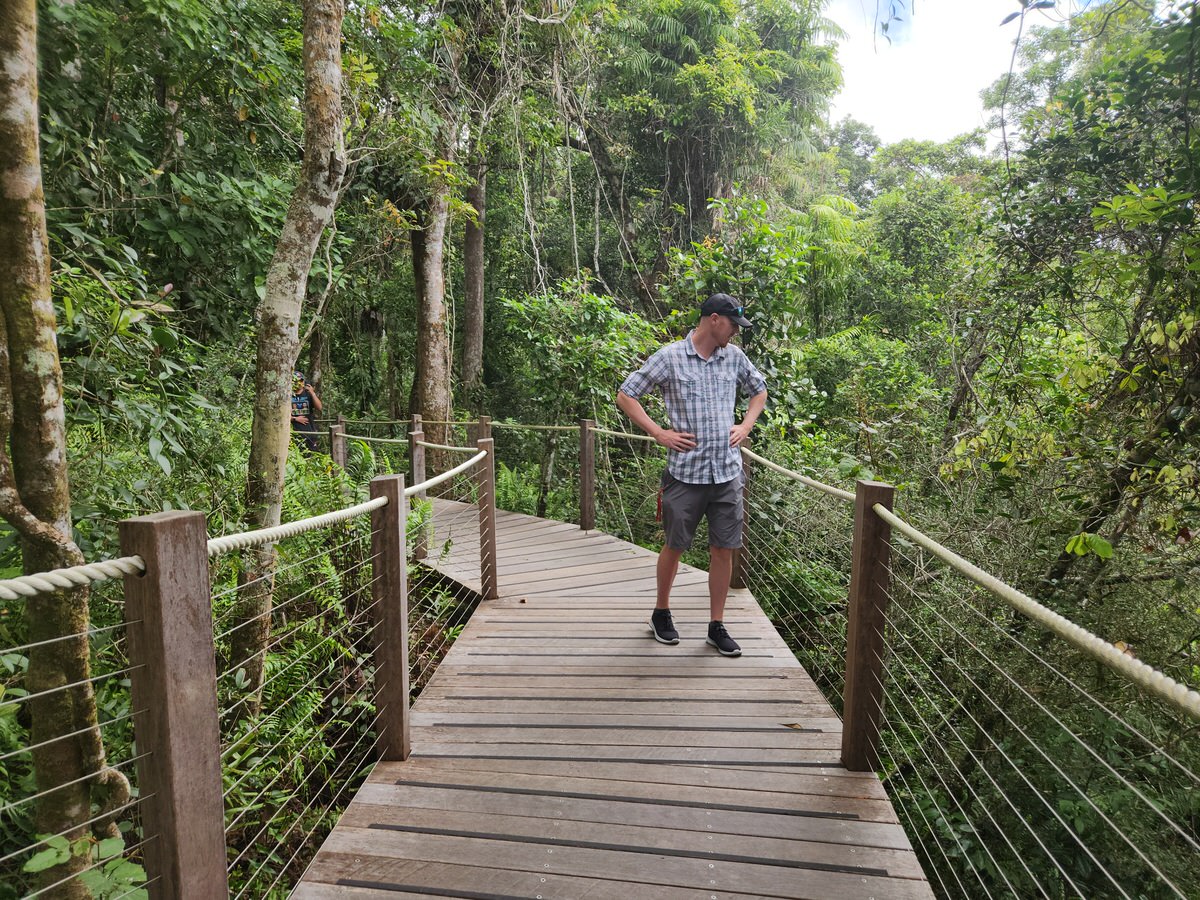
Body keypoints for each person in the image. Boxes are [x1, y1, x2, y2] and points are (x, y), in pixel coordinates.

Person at [616, 293, 768, 657]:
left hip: (727, 474)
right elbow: (626, 394)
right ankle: (661, 613)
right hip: (685, 474)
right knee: (675, 544)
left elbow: (759, 390)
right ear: (714, 319)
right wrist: (658, 432)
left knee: (723, 548)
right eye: (733, 325)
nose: (734, 332)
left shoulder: (733, 357)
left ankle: (717, 625)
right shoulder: (670, 357)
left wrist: (746, 424)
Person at [290, 371, 323, 452]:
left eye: (301, 381)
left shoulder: (308, 394)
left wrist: (312, 393)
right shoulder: (287, 394)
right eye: (296, 381)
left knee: (311, 454)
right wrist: (295, 419)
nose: (299, 383)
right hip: (293, 432)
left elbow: (319, 407)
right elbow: (282, 415)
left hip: (309, 431)